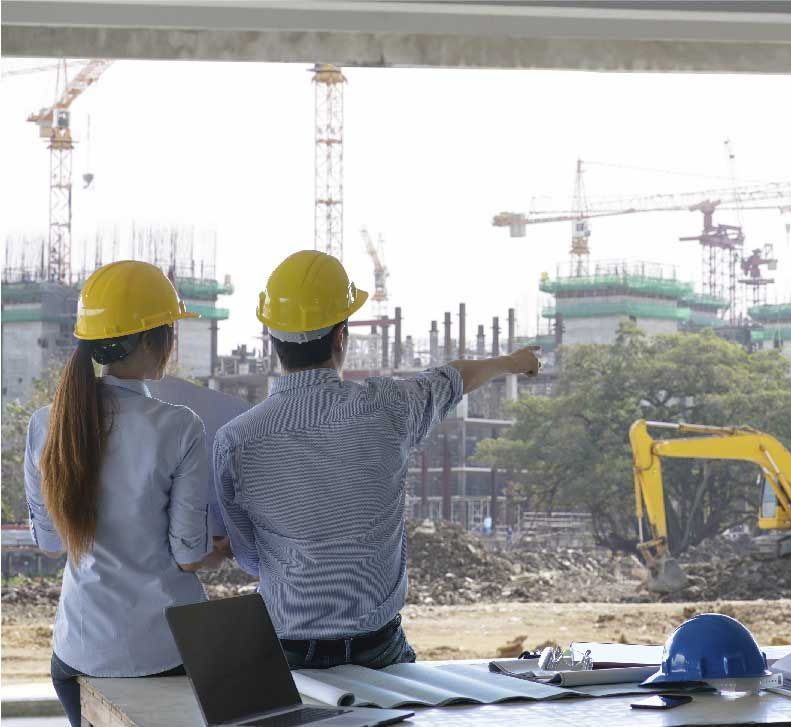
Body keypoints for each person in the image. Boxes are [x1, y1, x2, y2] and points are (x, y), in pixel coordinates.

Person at [214, 250, 540, 670]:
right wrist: (513, 362)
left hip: (286, 652)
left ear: (272, 338)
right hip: (378, 650)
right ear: (341, 336)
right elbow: (454, 377)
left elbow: (251, 559)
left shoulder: (235, 440)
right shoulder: (389, 406)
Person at [23, 261, 223, 727]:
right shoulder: (179, 426)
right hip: (166, 655)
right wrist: (218, 552)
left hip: (79, 654)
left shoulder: (45, 423)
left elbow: (50, 544)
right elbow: (187, 556)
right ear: (154, 339)